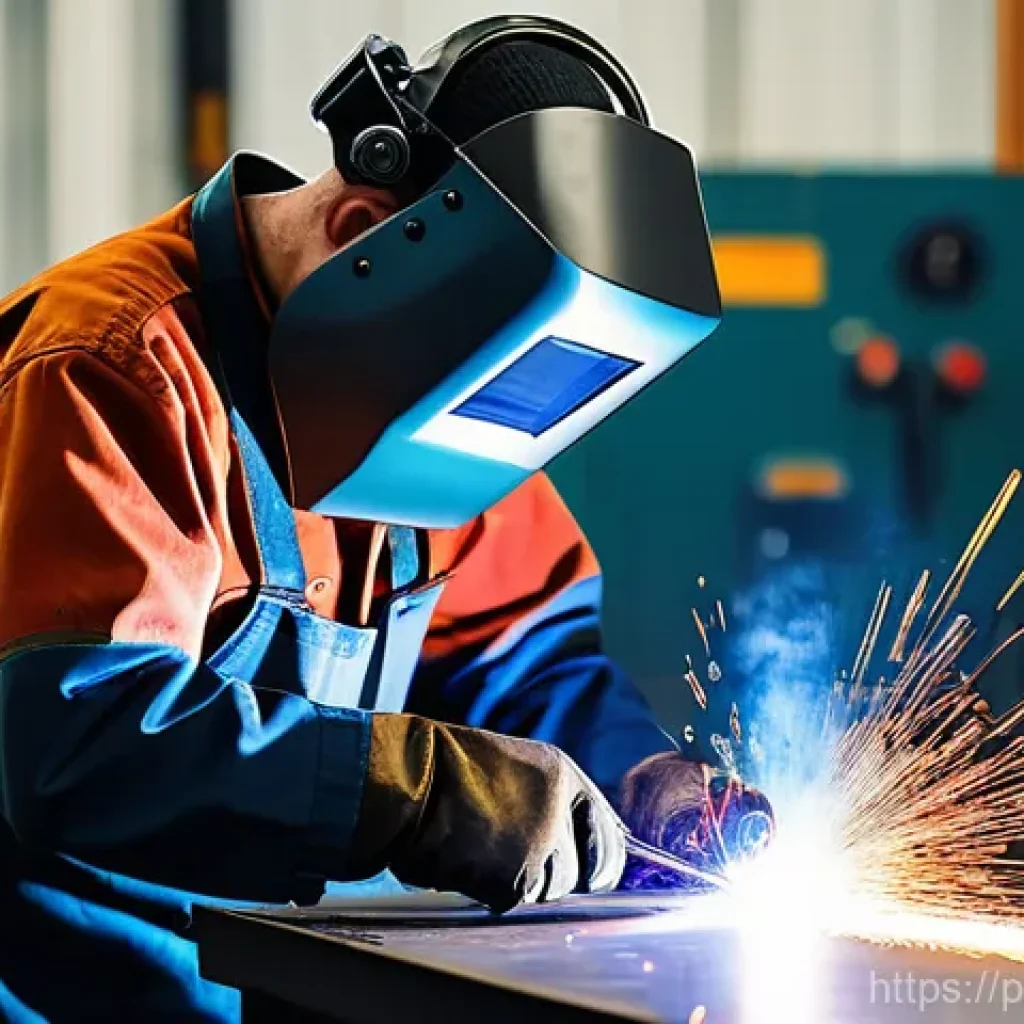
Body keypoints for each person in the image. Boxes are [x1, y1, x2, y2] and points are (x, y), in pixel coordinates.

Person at [0, 16, 770, 1022]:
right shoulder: (110, 365)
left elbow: (525, 662)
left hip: (273, 981)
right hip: (70, 992)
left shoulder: (444, 397)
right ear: (366, 234)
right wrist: (412, 787)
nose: (488, 432)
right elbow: (80, 743)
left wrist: (642, 774)